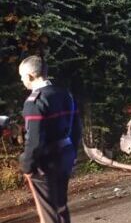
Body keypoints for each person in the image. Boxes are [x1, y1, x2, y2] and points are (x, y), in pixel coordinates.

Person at [18, 56, 82, 223]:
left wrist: (26, 165)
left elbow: (34, 141)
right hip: (66, 155)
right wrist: (73, 154)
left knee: (48, 212)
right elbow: (76, 128)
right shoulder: (64, 94)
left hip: (46, 162)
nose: (21, 80)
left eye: (22, 76)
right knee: (61, 206)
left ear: (31, 75)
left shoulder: (35, 102)